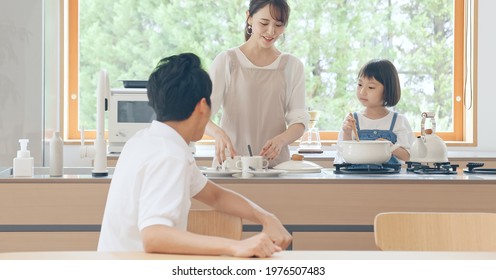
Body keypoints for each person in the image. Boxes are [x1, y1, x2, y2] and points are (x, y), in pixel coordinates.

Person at [97, 53, 292, 257]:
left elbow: (215, 196)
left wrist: (266, 217)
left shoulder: (144, 141)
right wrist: (235, 246)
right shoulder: (169, 155)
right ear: (202, 107)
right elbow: (154, 237)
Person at [206, 0, 309, 167]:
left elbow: (299, 121)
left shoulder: (292, 65)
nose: (271, 31)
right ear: (249, 18)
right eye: (264, 23)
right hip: (231, 164)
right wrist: (218, 134)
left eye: (279, 24)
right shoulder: (227, 61)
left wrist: (281, 140)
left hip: (275, 166)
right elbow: (201, 116)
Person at [336, 59, 414, 165]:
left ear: (388, 90)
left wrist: (390, 147)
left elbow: (409, 156)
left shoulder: (399, 121)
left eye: (371, 87)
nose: (362, 91)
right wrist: (347, 133)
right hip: (358, 179)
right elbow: (343, 155)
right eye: (360, 85)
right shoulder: (353, 119)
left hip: (390, 180)